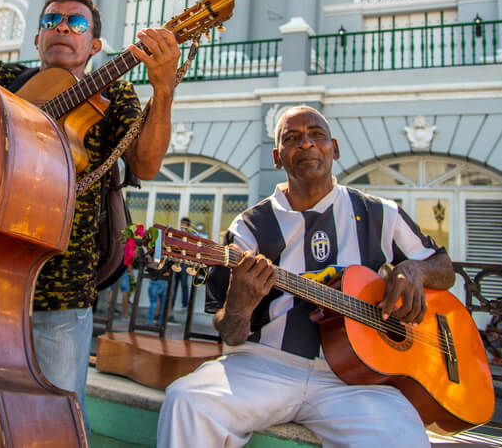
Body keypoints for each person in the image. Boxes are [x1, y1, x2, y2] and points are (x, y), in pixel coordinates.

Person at [157, 105, 454, 448]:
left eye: (317, 135)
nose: (306, 144)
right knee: (188, 402)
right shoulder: (249, 227)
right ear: (277, 157)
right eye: (292, 138)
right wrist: (239, 305)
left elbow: (444, 268)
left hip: (358, 384)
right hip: (265, 367)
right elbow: (230, 332)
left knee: (402, 436)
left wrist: (414, 269)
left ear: (335, 149)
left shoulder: (379, 213)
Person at [0, 0, 180, 423]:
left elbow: (146, 165)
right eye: (50, 21)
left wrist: (163, 88)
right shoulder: (2, 80)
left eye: (75, 24)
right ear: (36, 38)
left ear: (94, 45)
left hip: (61, 291)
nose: (61, 28)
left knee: (57, 421)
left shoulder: (116, 96)